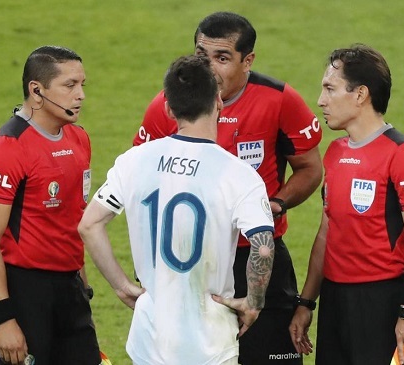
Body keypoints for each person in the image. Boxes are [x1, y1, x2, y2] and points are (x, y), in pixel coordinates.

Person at [132, 12, 323, 364]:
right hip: (191, 262)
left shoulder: (279, 100)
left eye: (222, 58)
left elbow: (311, 168)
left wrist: (276, 204)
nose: (210, 68)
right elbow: (142, 179)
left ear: (247, 60)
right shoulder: (167, 106)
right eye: (202, 56)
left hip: (256, 255)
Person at [78, 55, 276, 365]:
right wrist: (254, 302)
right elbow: (262, 249)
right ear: (218, 101)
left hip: (150, 340)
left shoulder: (134, 160)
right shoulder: (239, 175)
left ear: (169, 108)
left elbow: (89, 225)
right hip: (212, 343)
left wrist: (122, 287)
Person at [289, 44, 404, 365]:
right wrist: (306, 303)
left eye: (330, 88)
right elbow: (327, 233)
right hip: (335, 301)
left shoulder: (403, 155)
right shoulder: (336, 152)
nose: (320, 101)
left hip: (383, 303)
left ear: (360, 95)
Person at [0, 45, 101, 365]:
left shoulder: (79, 139)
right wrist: (4, 319)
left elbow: (72, 217)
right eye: (70, 85)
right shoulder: (7, 149)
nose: (81, 95)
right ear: (37, 91)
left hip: (70, 290)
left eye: (82, 84)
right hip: (22, 292)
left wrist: (82, 288)